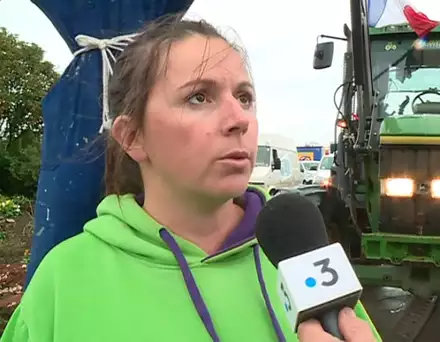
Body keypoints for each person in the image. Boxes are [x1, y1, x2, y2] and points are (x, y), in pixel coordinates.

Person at [0, 13, 380, 342]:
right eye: (199, 97)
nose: (239, 119)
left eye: (244, 97)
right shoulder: (65, 279)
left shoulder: (302, 263)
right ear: (132, 136)